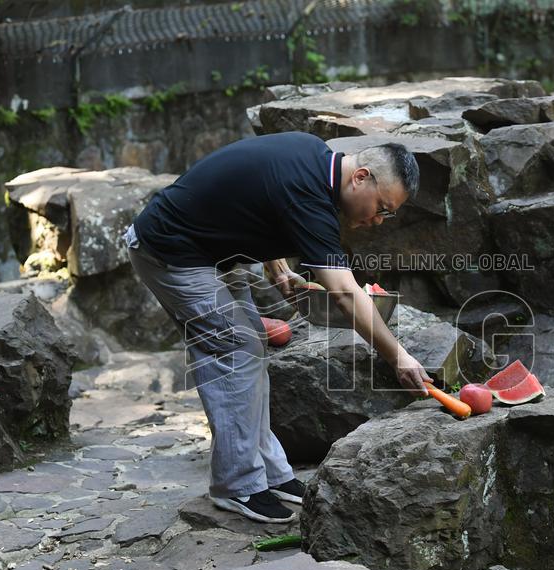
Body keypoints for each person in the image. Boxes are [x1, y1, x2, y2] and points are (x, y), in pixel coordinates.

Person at [123, 131, 431, 523]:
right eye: (382, 208)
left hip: (210, 254)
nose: (377, 220)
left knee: (249, 350)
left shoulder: (314, 154)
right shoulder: (312, 197)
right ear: (361, 178)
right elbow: (346, 293)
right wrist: (398, 357)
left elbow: (256, 188)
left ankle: (269, 471)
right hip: (168, 251)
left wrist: (273, 259)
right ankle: (236, 485)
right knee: (238, 348)